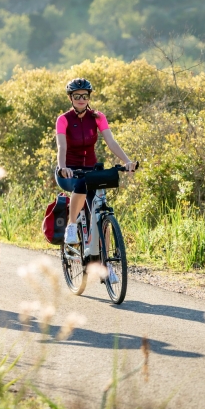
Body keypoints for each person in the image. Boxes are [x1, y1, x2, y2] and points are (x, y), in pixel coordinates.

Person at [55, 78, 135, 280]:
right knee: (81, 184)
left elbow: (111, 142)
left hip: (90, 170)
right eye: (76, 96)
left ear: (89, 97)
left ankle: (104, 266)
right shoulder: (63, 119)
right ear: (70, 98)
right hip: (70, 172)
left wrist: (127, 161)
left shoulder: (98, 117)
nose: (81, 99)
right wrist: (63, 167)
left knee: (100, 213)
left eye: (84, 96)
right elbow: (61, 147)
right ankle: (72, 226)